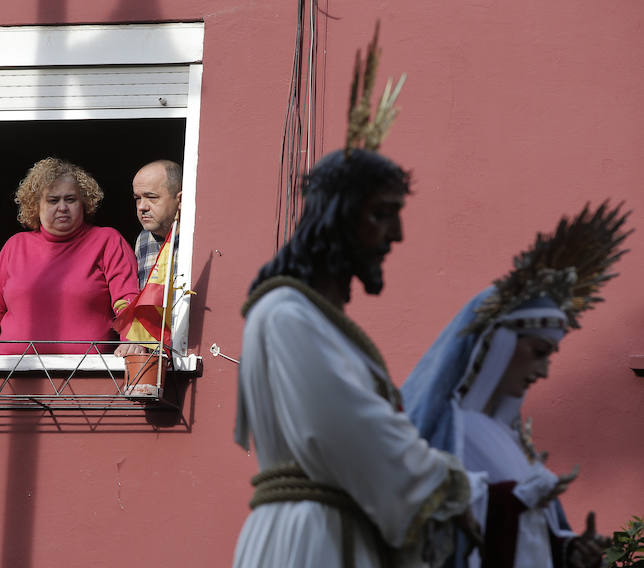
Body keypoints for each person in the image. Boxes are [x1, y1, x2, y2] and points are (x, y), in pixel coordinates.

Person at [234, 28, 478, 566]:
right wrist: (452, 484)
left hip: (343, 530)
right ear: (339, 217)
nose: (396, 236)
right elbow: (345, 430)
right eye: (381, 214)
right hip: (310, 539)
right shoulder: (285, 314)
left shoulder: (316, 321)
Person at [401, 202, 627, 568]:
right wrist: (514, 500)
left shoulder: (507, 437)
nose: (543, 372)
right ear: (499, 345)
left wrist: (569, 551)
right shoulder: (441, 429)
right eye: (538, 352)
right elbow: (425, 521)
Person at [0, 157, 145, 357]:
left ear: (84, 202)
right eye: (53, 200)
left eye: (70, 199)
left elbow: (127, 298)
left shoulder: (107, 240)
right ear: (35, 205)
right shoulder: (15, 245)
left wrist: (132, 341)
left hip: (88, 376)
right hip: (14, 376)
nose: (62, 207)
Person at [132, 159, 182, 288]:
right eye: (138, 198)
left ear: (180, 200)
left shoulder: (197, 238)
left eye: (152, 197)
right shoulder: (143, 239)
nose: (141, 207)